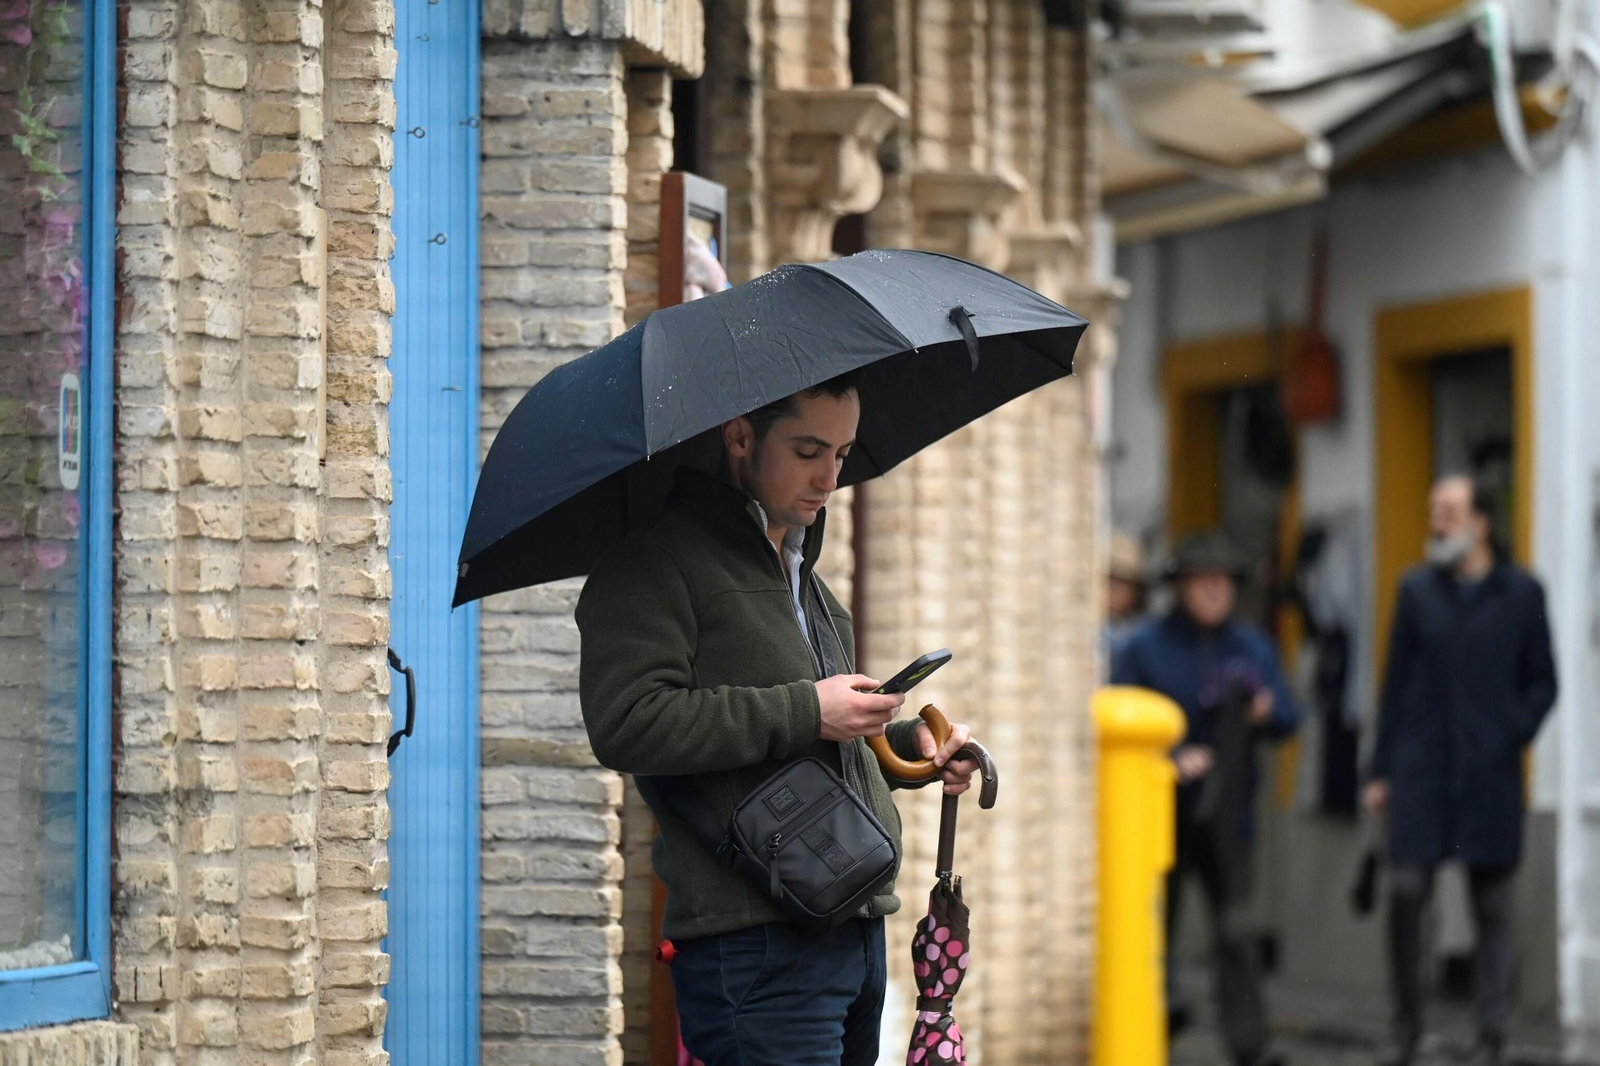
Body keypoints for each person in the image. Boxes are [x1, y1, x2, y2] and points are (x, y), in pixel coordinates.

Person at [576, 372, 980, 1066]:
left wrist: (917, 747)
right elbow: (627, 722)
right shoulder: (656, 561)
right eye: (807, 450)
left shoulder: (805, 576)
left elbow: (817, 740)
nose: (827, 477)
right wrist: (810, 708)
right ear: (739, 435)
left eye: (843, 455)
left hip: (849, 931)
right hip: (754, 945)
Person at [1365, 475, 1557, 1066]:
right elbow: (1394, 684)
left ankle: (1492, 1030)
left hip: (1488, 771)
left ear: (1481, 523)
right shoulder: (1417, 591)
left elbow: (1543, 682)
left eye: (1449, 511)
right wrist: (1381, 769)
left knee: (1492, 904)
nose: (1437, 522)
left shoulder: (1522, 593)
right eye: (1432, 511)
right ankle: (1408, 1023)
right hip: (1421, 768)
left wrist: (1508, 736)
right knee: (1406, 892)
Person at [1111, 531, 1299, 1066]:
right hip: (1158, 811)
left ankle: (1250, 1047)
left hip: (1231, 817)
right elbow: (1117, 714)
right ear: (1182, 588)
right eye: (1203, 582)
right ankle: (1148, 1038)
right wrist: (1167, 761)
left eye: (1224, 583)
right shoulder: (1145, 647)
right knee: (1151, 931)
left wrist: (1266, 711)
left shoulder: (1252, 647)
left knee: (1236, 932)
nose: (1216, 592)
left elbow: (1289, 716)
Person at [1103, 530, 1149, 660]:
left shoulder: (1146, 634)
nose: (1114, 589)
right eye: (1110, 580)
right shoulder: (1083, 627)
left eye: (1123, 582)